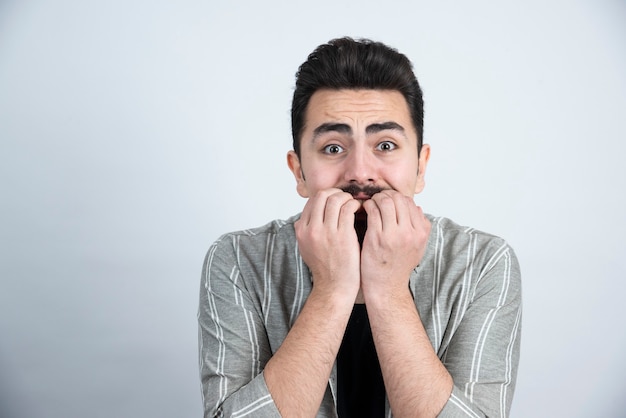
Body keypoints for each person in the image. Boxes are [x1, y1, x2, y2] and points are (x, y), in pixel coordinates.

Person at [198, 37, 522, 418]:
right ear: (299, 171)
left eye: (385, 145)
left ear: (420, 167)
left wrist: (388, 291)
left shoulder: (483, 263)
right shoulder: (237, 260)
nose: (360, 173)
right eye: (333, 148)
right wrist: (332, 291)